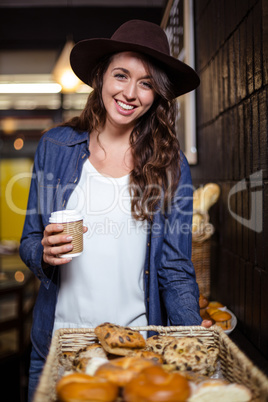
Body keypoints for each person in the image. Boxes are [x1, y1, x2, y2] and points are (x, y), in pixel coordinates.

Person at [19, 19, 212, 401]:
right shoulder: (55, 148)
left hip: (136, 350)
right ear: (100, 78)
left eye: (146, 83)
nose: (130, 92)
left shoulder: (171, 165)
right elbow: (29, 240)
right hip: (61, 343)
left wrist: (191, 334)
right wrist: (42, 252)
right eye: (121, 75)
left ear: (158, 95)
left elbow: (175, 269)